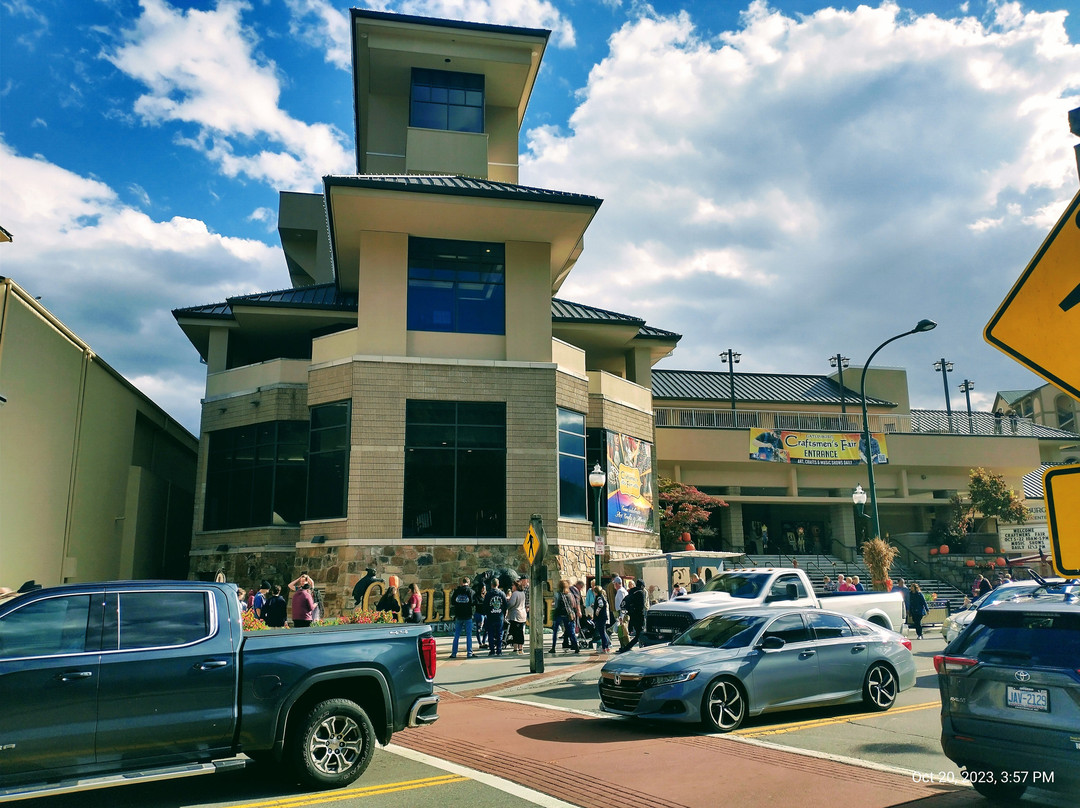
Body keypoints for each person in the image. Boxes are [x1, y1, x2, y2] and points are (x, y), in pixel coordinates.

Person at [550, 580, 580, 654]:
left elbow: (556, 605)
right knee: (571, 631)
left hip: (558, 614)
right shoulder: (570, 594)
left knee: (555, 631)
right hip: (568, 614)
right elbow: (573, 604)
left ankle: (553, 647)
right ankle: (576, 646)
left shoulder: (557, 594)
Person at [449, 577, 476, 659]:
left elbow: (453, 602)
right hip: (467, 615)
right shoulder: (471, 591)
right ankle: (469, 653)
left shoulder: (457, 591)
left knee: (456, 635)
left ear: (462, 582)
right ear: (469, 583)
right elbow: (473, 602)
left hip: (458, 615)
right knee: (469, 635)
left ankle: (454, 653)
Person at [483, 580, 508, 656]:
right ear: (498, 584)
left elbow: (485, 606)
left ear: (491, 585)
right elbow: (505, 606)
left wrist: (487, 614)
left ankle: (492, 650)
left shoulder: (488, 594)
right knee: (499, 634)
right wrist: (503, 615)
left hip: (491, 616)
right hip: (499, 616)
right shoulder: (502, 594)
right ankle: (499, 650)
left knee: (490, 634)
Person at [505, 577, 528, 654]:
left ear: (516, 586)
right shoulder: (522, 593)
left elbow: (511, 604)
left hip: (515, 615)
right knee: (521, 633)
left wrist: (506, 605)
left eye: (513, 585)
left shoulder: (515, 594)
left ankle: (515, 649)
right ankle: (521, 649)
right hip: (522, 614)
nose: (512, 587)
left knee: (515, 632)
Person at [591, 584, 611, 653]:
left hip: (600, 618)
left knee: (602, 632)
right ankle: (606, 646)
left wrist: (597, 611)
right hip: (603, 617)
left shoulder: (599, 597)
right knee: (603, 632)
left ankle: (604, 647)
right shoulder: (602, 597)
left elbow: (601, 604)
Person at [473, 582, 488, 648]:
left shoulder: (487, 595)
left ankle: (484, 641)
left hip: (486, 614)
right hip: (479, 613)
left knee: (487, 628)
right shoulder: (476, 595)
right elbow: (477, 603)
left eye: (484, 588)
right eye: (482, 588)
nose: (483, 589)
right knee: (479, 628)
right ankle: (480, 643)